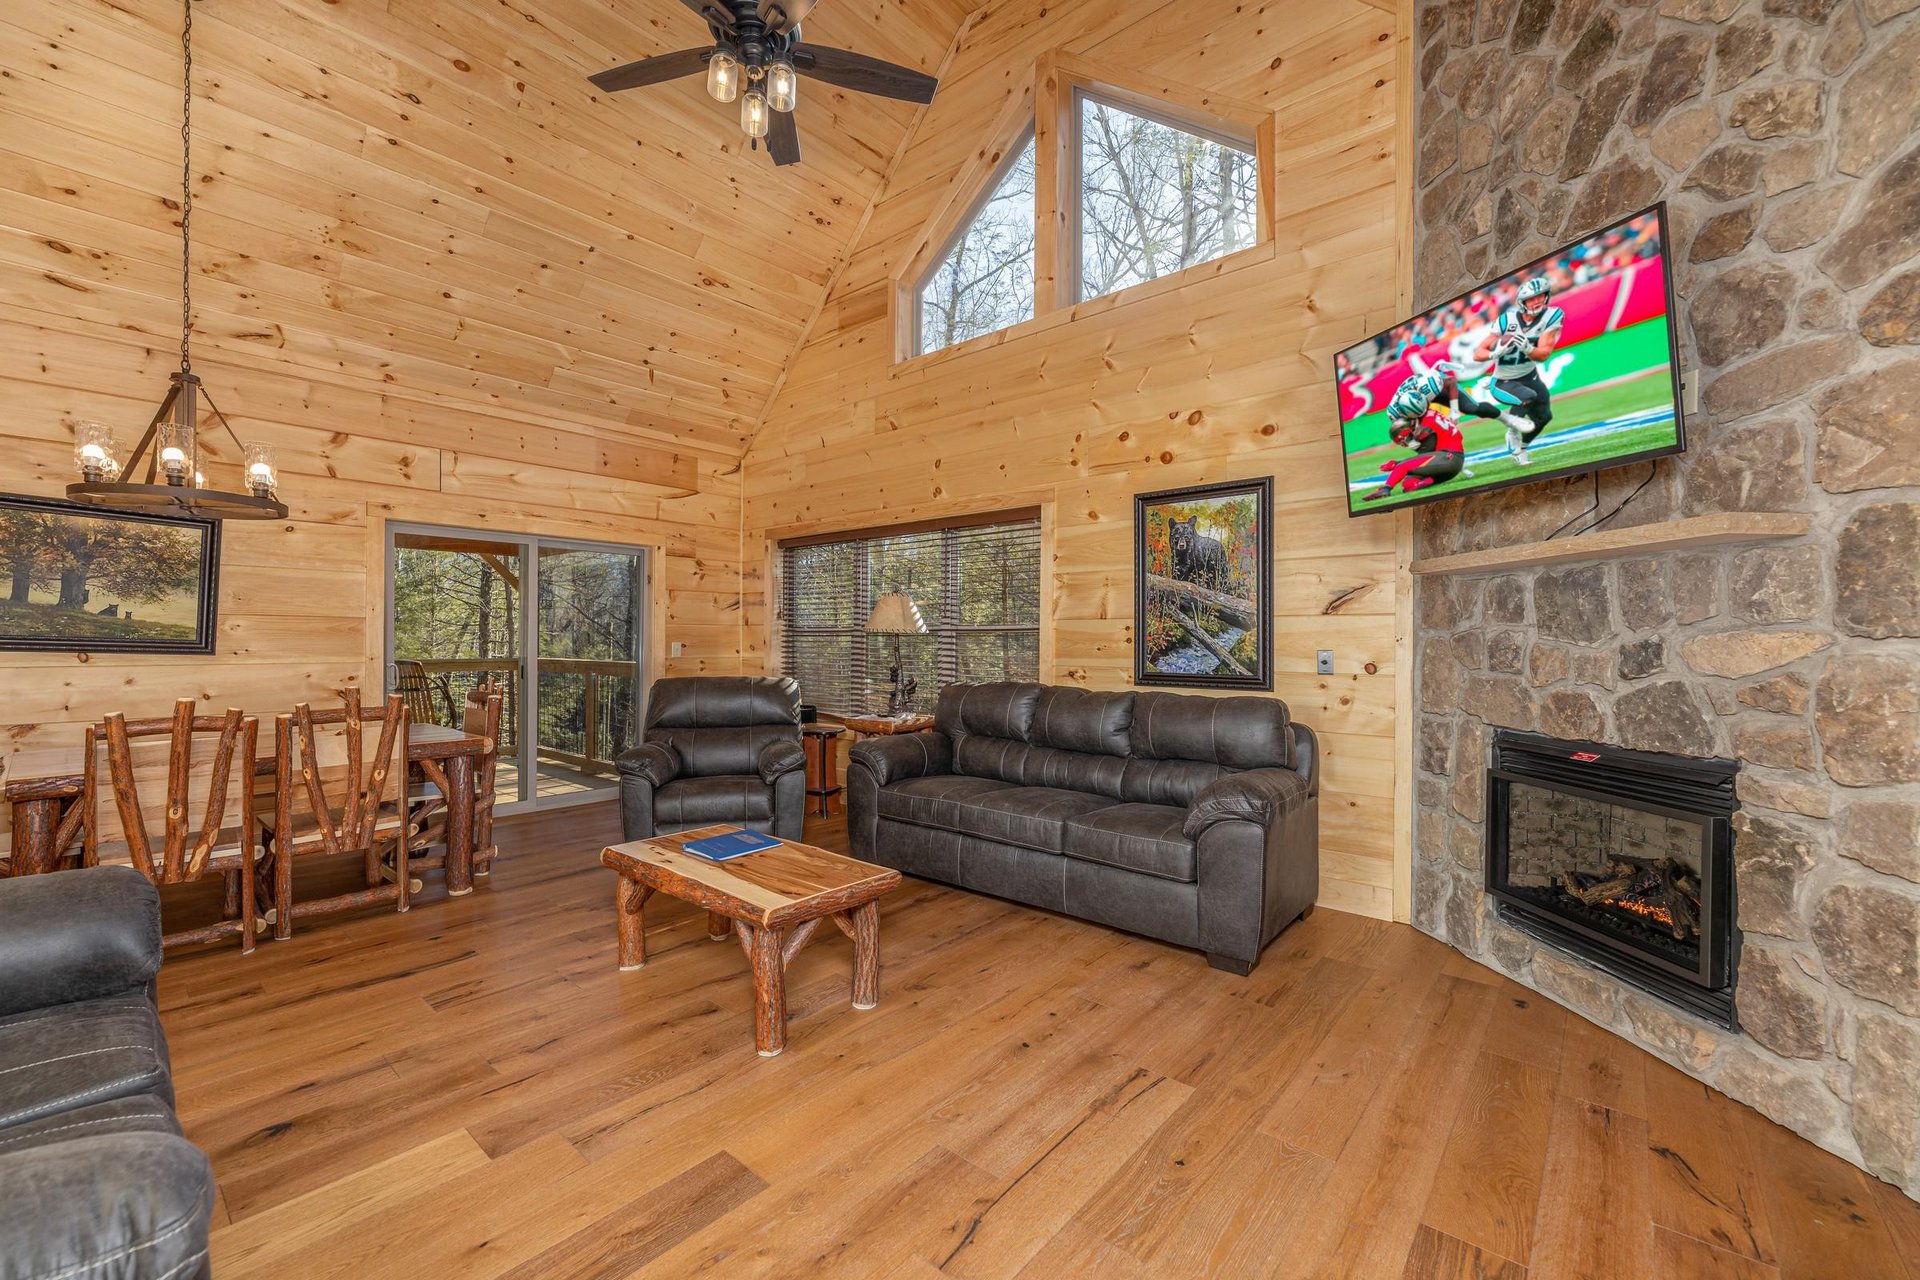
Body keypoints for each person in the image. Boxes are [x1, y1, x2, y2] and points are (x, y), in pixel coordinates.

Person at [1474, 276, 1564, 465]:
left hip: (1530, 376)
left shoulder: (1552, 317)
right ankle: (1512, 430)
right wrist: (1494, 354)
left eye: (1540, 296)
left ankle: (1521, 450)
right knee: (1527, 396)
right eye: (1531, 298)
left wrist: (1528, 348)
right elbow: (1478, 353)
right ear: (1522, 302)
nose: (1537, 301)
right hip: (1503, 381)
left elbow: (1544, 354)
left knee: (1544, 417)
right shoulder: (1507, 320)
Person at [1360, 370, 1479, 502]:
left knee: (1403, 467)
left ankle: (1385, 490)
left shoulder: (1424, 426)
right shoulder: (1431, 414)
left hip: (1448, 458)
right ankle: (1427, 481)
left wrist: (1398, 462)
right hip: (1448, 463)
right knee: (1408, 484)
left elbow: (1425, 452)